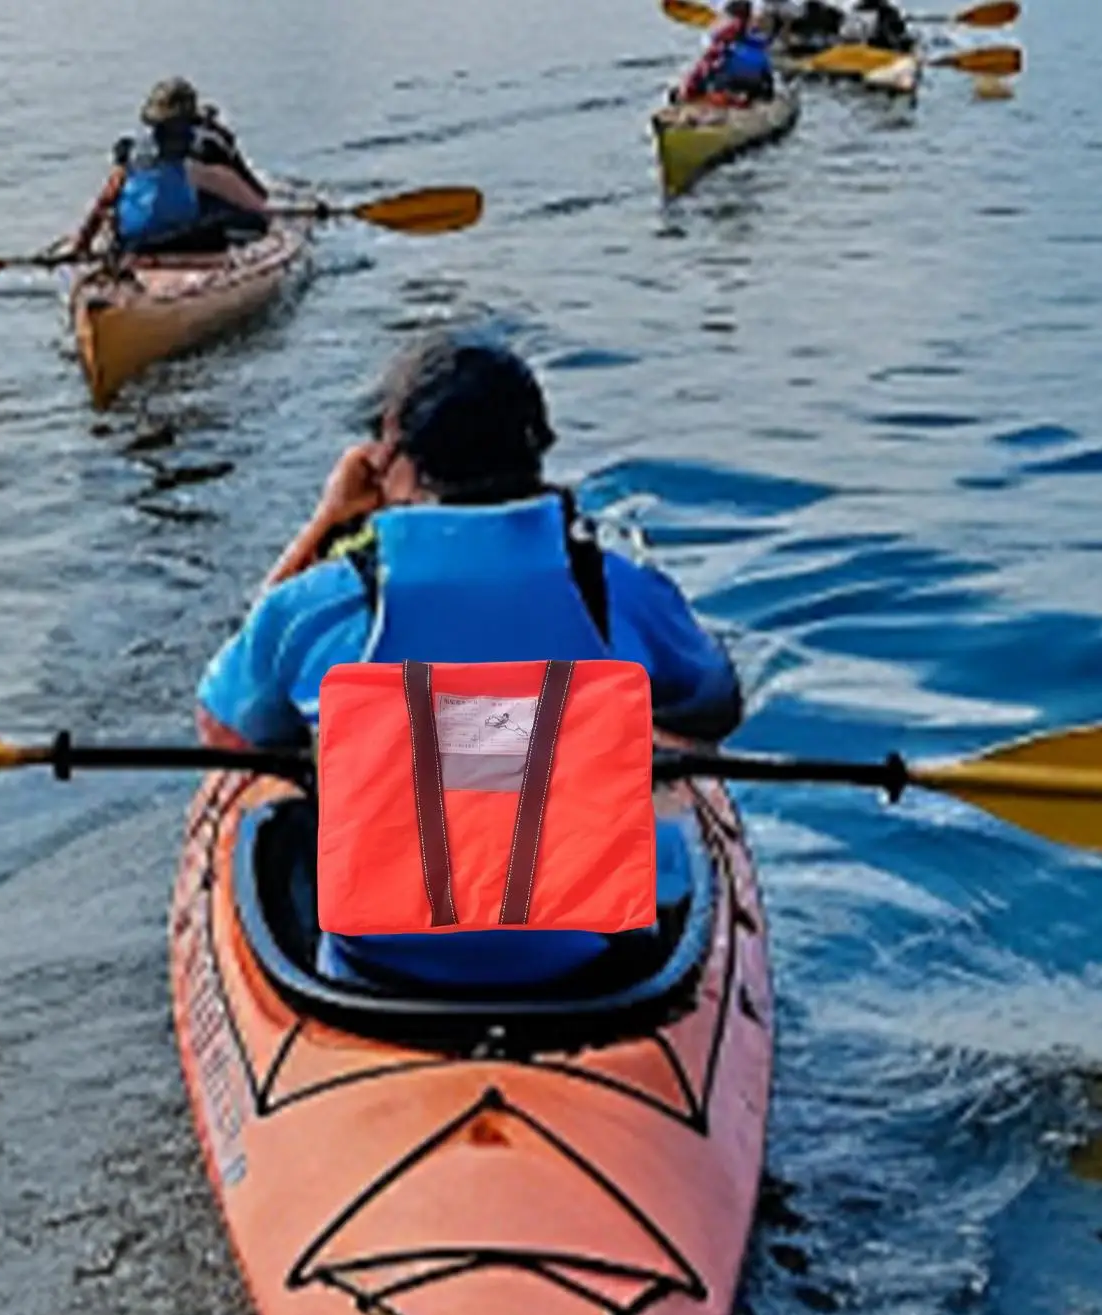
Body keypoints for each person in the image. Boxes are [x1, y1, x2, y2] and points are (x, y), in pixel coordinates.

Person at [195, 333, 745, 993]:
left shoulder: (324, 603)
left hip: (374, 969)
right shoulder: (615, 590)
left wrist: (328, 520)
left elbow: (228, 731)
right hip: (589, 963)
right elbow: (712, 706)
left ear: (392, 451)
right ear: (537, 451)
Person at [70, 78, 273, 257]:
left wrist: (82, 244)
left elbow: (105, 199)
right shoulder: (203, 150)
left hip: (132, 241)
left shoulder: (129, 151)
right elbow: (252, 199)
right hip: (182, 239)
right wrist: (264, 215)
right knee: (247, 219)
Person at [676, 0, 778, 103]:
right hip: (754, 82)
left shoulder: (726, 35)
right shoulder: (759, 42)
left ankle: (720, 95)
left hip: (731, 80)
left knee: (714, 68)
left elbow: (709, 62)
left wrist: (690, 86)